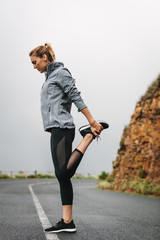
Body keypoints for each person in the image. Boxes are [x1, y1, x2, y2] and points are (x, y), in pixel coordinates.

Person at [29, 43, 109, 233]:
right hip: (55, 128)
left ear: (45, 57)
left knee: (64, 173)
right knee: (62, 177)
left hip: (63, 127)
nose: (34, 67)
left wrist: (91, 121)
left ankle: (88, 136)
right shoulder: (49, 78)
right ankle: (67, 221)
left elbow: (75, 95)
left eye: (35, 62)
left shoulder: (61, 73)